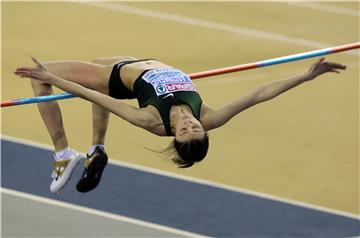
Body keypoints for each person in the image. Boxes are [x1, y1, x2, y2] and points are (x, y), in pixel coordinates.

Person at [14, 56, 346, 193]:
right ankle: (97, 148)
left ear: (174, 136)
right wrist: (305, 77)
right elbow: (260, 94)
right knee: (101, 66)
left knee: (44, 80)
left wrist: (51, 77)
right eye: (196, 127)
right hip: (135, 59)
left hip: (118, 76)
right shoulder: (209, 116)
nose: (189, 122)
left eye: (185, 129)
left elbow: (98, 97)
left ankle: (61, 153)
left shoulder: (151, 120)